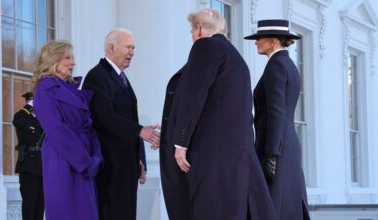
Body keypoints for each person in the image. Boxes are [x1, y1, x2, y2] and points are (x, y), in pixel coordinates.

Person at [160, 9, 276, 219]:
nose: (192, 36)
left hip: (211, 159)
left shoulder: (205, 46)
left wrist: (180, 142)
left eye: (192, 30)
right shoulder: (236, 58)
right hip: (238, 160)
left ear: (200, 29)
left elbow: (194, 95)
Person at [82, 28, 160, 220]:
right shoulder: (97, 76)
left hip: (126, 166)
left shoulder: (121, 78)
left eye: (133, 47)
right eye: (128, 47)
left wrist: (139, 157)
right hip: (110, 167)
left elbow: (130, 118)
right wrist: (141, 131)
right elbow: (105, 116)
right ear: (111, 47)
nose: (132, 52)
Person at [244, 19, 310, 220]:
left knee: (273, 210)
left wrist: (271, 156)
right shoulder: (288, 64)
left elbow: (277, 112)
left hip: (275, 148)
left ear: (273, 41)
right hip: (285, 145)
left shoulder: (276, 66)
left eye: (259, 38)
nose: (256, 42)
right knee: (286, 208)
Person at [33, 40, 103, 220]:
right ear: (53, 60)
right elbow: (56, 130)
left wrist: (96, 156)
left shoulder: (72, 89)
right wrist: (84, 161)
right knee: (67, 211)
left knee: (85, 212)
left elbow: (89, 126)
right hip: (63, 159)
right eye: (68, 58)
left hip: (85, 159)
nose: (73, 63)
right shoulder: (44, 89)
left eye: (73, 58)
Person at [13, 91, 44, 220]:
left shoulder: (42, 117)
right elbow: (18, 122)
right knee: (29, 205)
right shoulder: (22, 116)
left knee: (40, 206)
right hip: (28, 166)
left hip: (42, 166)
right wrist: (29, 107)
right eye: (31, 102)